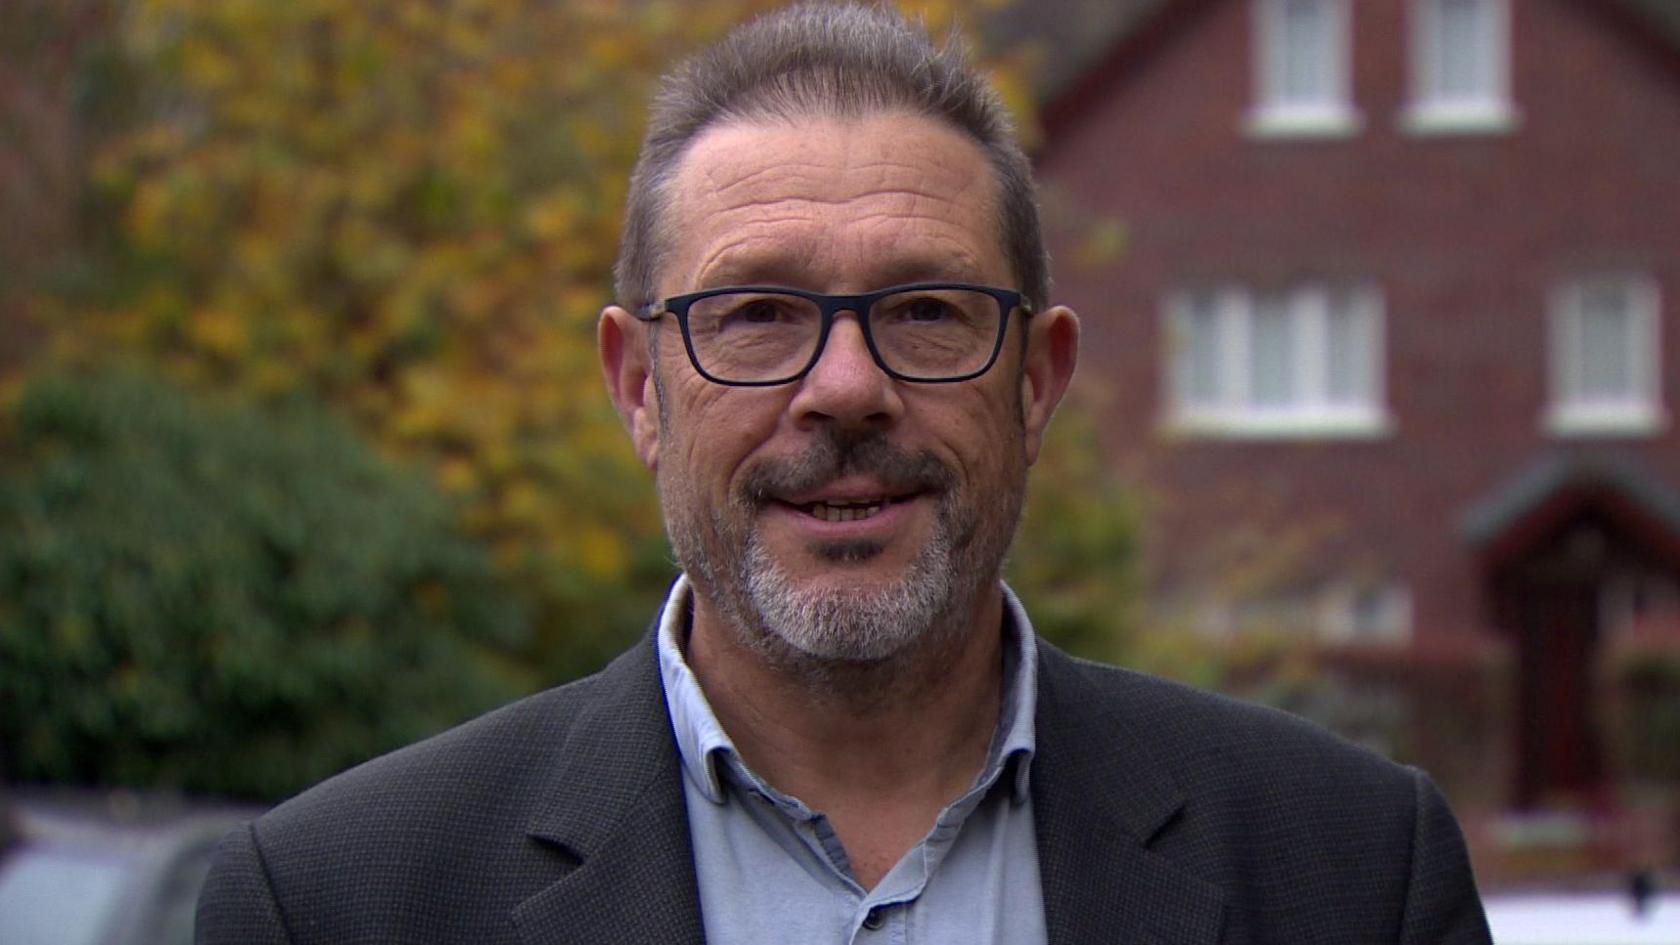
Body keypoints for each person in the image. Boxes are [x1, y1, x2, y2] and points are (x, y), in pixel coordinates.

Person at [195, 4, 1493, 943]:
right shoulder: (339, 905)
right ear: (640, 388)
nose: (847, 388)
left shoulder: (1351, 873)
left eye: (926, 309)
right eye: (757, 313)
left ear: (1035, 382)